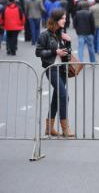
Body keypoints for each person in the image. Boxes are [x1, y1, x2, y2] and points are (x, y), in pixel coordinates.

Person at [35, 8, 74, 137]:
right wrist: (54, 52)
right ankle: (65, 128)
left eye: (65, 18)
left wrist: (68, 42)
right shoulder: (45, 35)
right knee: (64, 96)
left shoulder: (61, 34)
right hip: (51, 69)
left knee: (56, 98)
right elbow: (38, 52)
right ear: (56, 19)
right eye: (63, 18)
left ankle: (49, 128)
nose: (65, 20)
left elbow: (67, 55)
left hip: (62, 70)